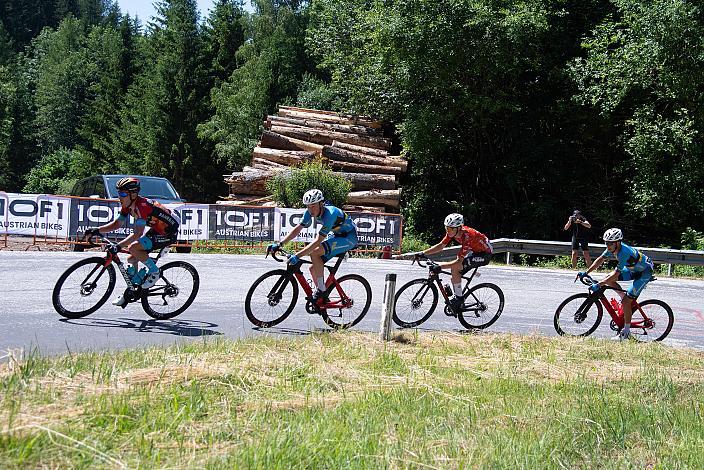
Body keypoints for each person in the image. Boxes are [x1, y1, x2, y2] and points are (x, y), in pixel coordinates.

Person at [86, 177, 180, 306]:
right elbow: (117, 224)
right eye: (119, 193)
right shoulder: (128, 205)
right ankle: (132, 290)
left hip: (168, 232)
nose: (120, 197)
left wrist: (118, 246)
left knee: (134, 248)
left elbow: (138, 233)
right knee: (131, 258)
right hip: (157, 229)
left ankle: (155, 272)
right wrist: (97, 230)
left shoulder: (143, 206)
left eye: (123, 194)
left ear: (133, 194)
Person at [268, 189, 358, 304]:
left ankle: (321, 289)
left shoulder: (330, 214)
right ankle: (323, 298)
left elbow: (317, 241)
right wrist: (279, 244)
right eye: (308, 207)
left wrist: (297, 255)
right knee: (313, 268)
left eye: (313, 206)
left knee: (315, 252)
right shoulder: (309, 212)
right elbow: (297, 229)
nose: (311, 210)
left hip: (349, 237)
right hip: (337, 235)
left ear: (321, 204)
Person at [578, 228, 654, 341]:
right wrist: (587, 272)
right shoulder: (612, 248)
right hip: (633, 269)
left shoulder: (624, 252)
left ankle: (626, 332)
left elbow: (615, 275)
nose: (607, 245)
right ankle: (625, 298)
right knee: (608, 280)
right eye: (606, 243)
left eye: (610, 243)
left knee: (625, 300)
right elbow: (600, 260)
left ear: (617, 242)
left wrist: (599, 285)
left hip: (644, 273)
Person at [418, 213, 493, 310]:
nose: (448, 231)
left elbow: (458, 262)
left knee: (456, 267)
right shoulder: (453, 232)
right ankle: (458, 296)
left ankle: (459, 298)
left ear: (459, 228)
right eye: (446, 228)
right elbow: (441, 245)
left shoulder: (467, 236)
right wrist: (423, 253)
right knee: (455, 272)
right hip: (475, 251)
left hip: (484, 254)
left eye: (450, 229)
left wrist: (440, 266)